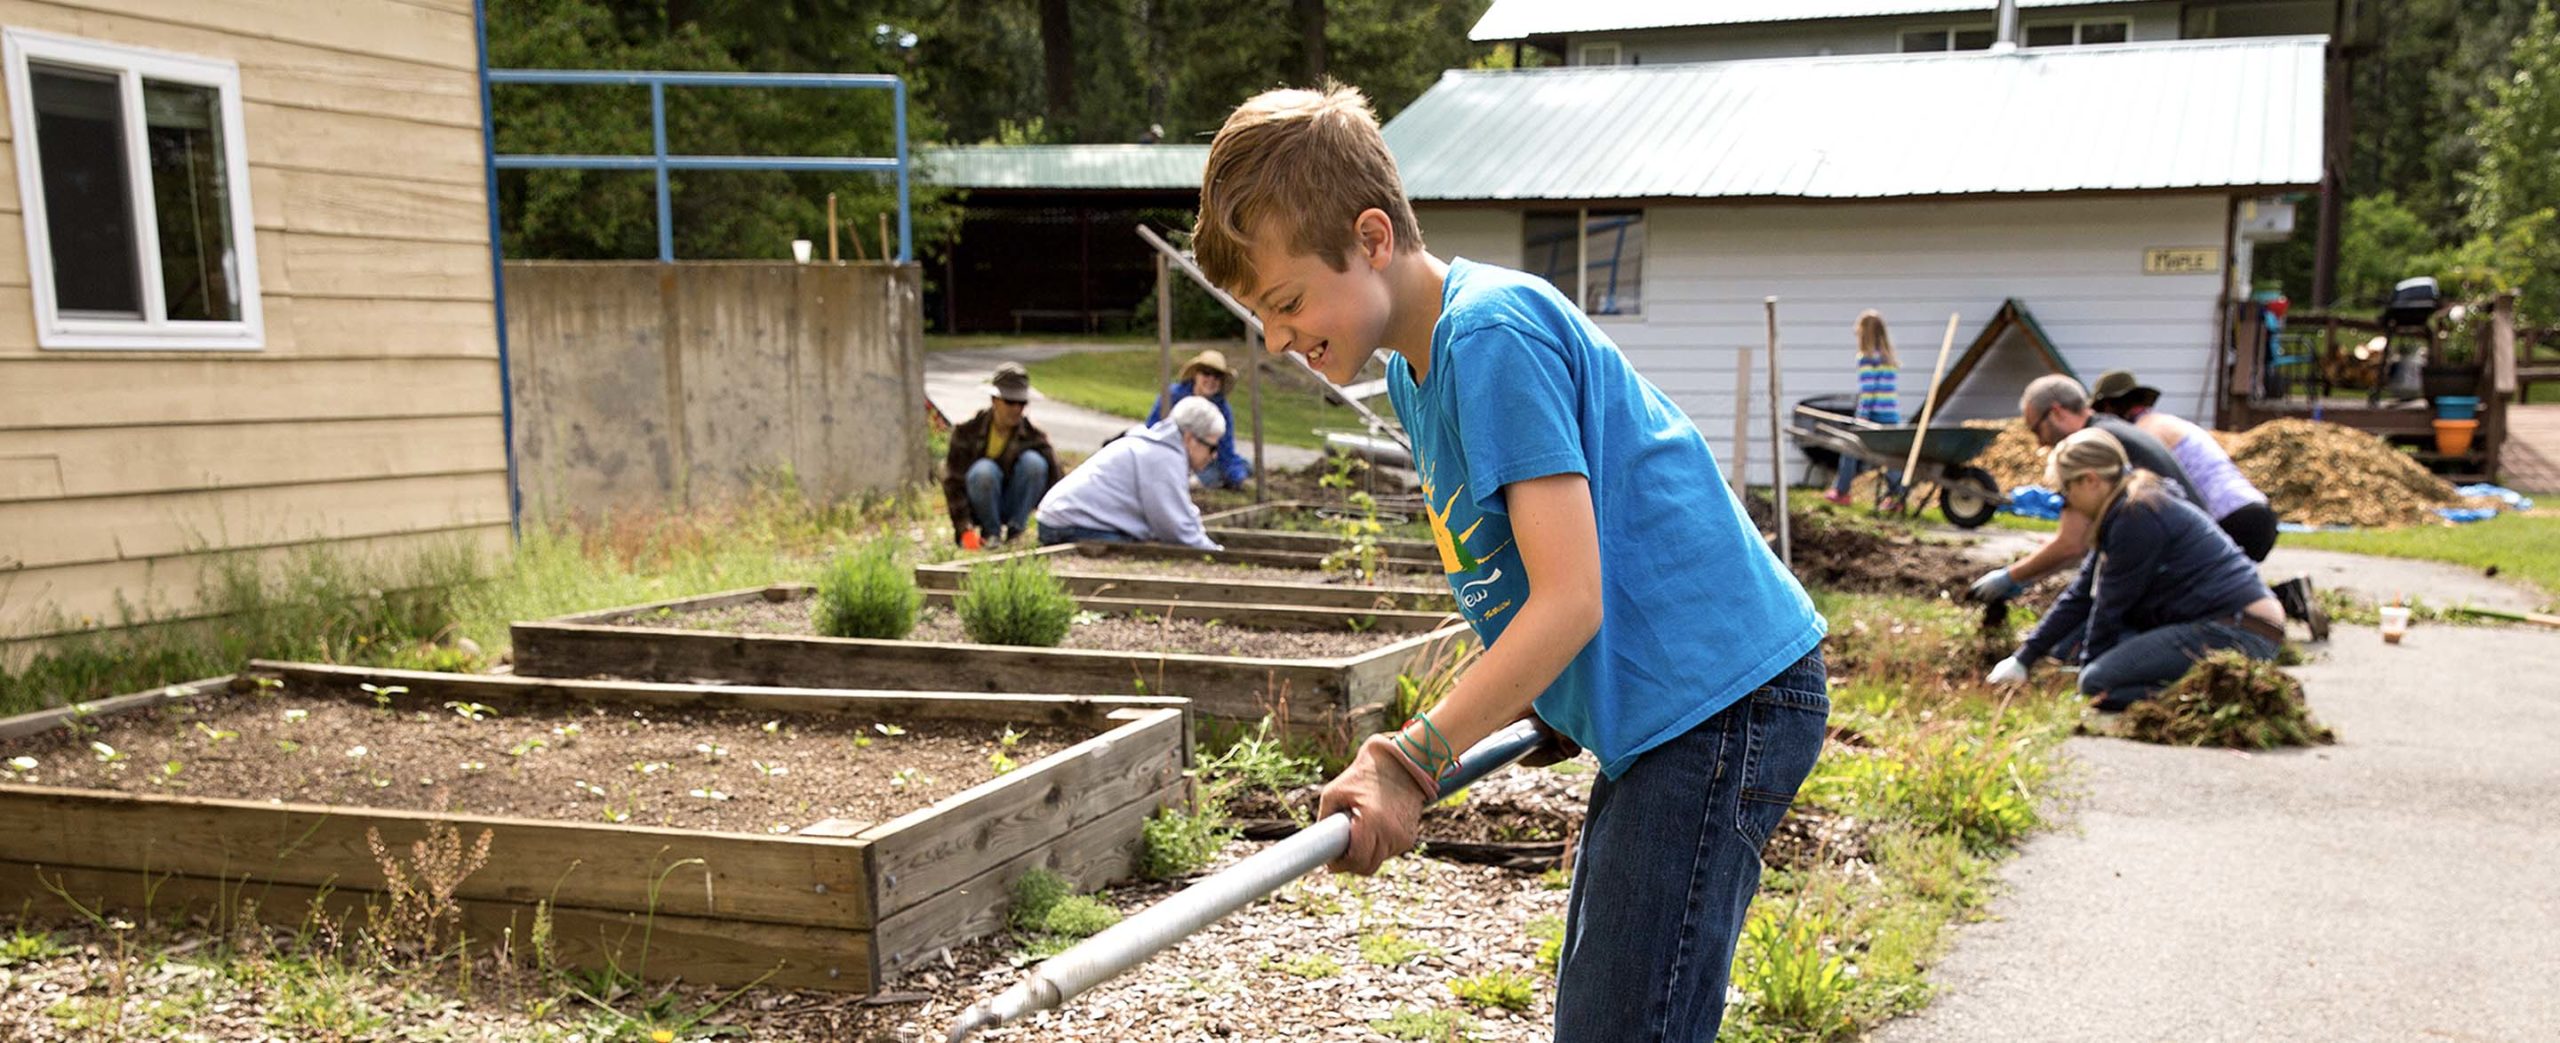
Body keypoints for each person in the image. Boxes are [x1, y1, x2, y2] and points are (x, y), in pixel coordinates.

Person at [1192, 83, 1827, 1043]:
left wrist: (1409, 759)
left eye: (1285, 302)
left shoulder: (1492, 331)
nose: (1277, 340)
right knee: (1609, 1011)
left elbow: (1570, 600)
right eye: (1261, 317)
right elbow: (1522, 569)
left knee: (1623, 1026)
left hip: (1719, 701)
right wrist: (1541, 697)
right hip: (1668, 712)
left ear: (1371, 238)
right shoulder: (1415, 368)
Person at [1987, 428, 2286, 709]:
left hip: (2238, 631)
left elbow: (2109, 607)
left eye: (2067, 491)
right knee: (2077, 653)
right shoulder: (2124, 509)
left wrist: (2087, 675)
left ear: (2090, 480)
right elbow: (2080, 595)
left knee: (2098, 683)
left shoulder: (2136, 515)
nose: (2068, 503)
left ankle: (2218, 694)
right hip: (2229, 623)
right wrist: (2023, 658)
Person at [1969, 374, 2202, 604]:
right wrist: (2031, 574)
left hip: (2182, 575)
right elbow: (2083, 545)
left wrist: (2011, 576)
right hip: (2186, 558)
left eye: (2037, 429)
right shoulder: (2112, 429)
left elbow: (2072, 543)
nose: (2040, 443)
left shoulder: (2089, 449)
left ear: (2056, 412)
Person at [2087, 370, 2278, 560]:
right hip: (2255, 509)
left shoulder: (2143, 434)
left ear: (2110, 406)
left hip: (2229, 517)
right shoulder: (2166, 422)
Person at [1034, 396, 1227, 550]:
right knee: (1138, 551)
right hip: (1069, 524)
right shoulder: (1164, 459)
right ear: (1190, 438)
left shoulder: (1156, 447)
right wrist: (1213, 552)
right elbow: (1175, 528)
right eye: (1211, 447)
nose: (1214, 455)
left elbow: (1181, 513)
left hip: (1060, 518)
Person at [942, 362, 1053, 547]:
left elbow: (1056, 481)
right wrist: (964, 530)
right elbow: (953, 484)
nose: (1017, 408)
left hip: (1014, 503)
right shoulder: (966, 431)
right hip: (977, 505)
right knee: (984, 471)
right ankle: (990, 533)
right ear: (994, 400)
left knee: (1035, 463)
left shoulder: (1035, 436)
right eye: (1010, 401)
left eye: (1022, 402)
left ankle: (1016, 532)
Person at [1824, 309, 1908, 510]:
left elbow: (1868, 391)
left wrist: (1860, 419)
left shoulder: (1866, 358)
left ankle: (1842, 492)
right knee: (1889, 457)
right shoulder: (1888, 359)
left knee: (1849, 448)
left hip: (1874, 415)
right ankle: (1898, 498)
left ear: (1865, 334)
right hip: (1891, 415)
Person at [1144, 348, 1253, 489]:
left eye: (1217, 375)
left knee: (1243, 465)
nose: (1211, 379)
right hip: (1167, 454)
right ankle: (1181, 481)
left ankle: (1194, 481)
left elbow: (1226, 451)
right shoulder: (1171, 395)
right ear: (1196, 374)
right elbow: (1151, 429)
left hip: (1201, 462)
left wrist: (1239, 479)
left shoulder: (1223, 410)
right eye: (1206, 373)